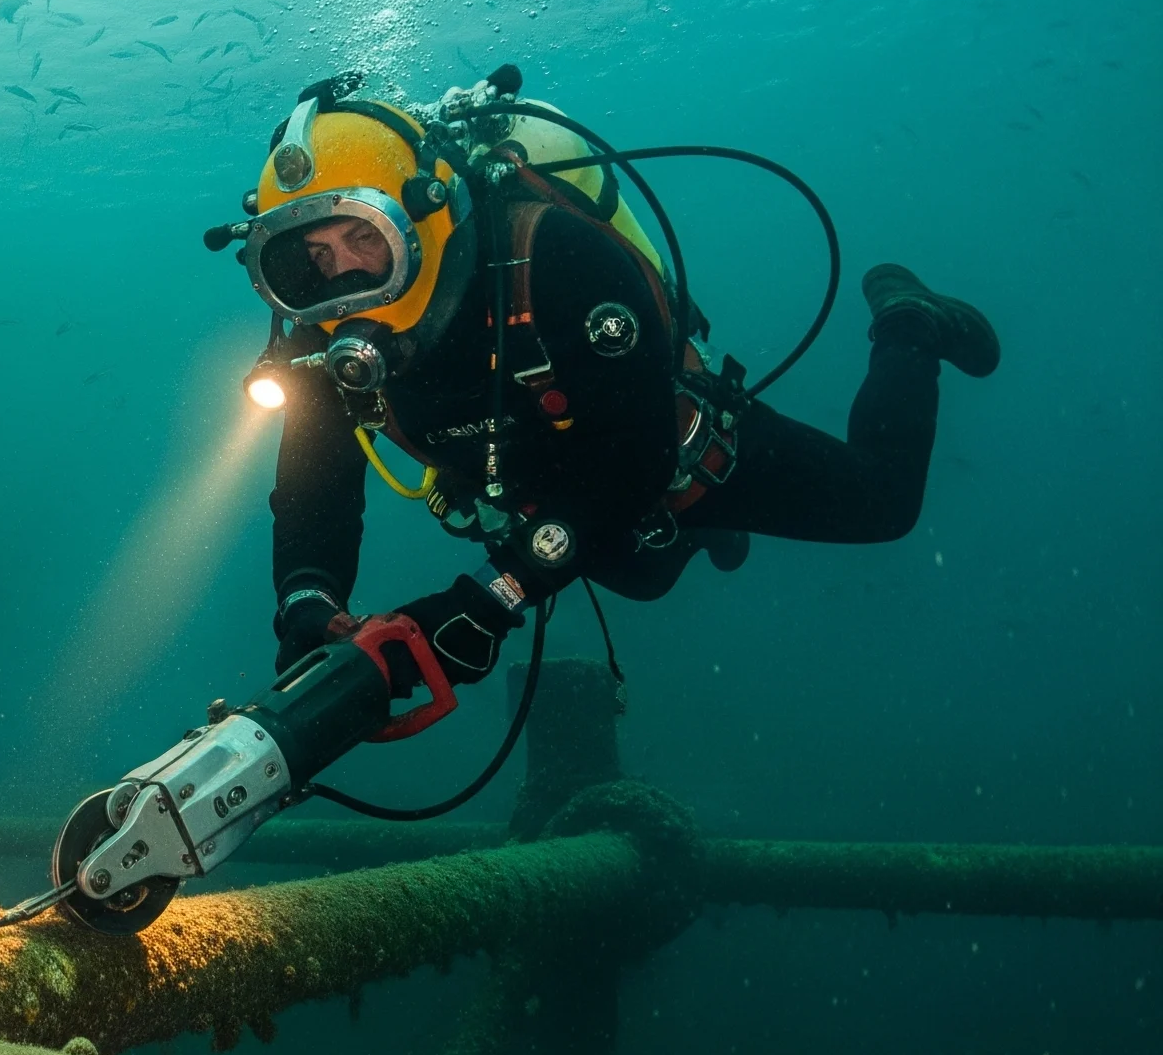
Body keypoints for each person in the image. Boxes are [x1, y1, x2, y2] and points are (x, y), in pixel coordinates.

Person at [230, 70, 997, 693]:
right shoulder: (323, 334)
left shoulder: (555, 255)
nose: (348, 277)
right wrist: (307, 596)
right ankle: (707, 537)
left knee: (882, 502)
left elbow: (631, 461)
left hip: (671, 452)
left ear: (422, 217)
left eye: (366, 237)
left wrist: (489, 602)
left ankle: (907, 321)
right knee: (642, 572)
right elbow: (314, 483)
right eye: (314, 258)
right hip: (554, 507)